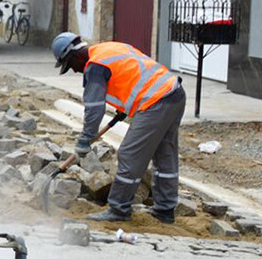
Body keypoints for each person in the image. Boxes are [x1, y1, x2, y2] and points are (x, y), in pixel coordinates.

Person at [52, 33, 186, 224]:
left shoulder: (95, 67)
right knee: (165, 154)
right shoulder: (108, 48)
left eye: (71, 66)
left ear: (74, 55)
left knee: (129, 155)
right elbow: (131, 73)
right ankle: (165, 210)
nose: (74, 71)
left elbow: (94, 108)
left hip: (155, 102)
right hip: (174, 92)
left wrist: (86, 138)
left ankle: (119, 208)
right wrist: (125, 107)